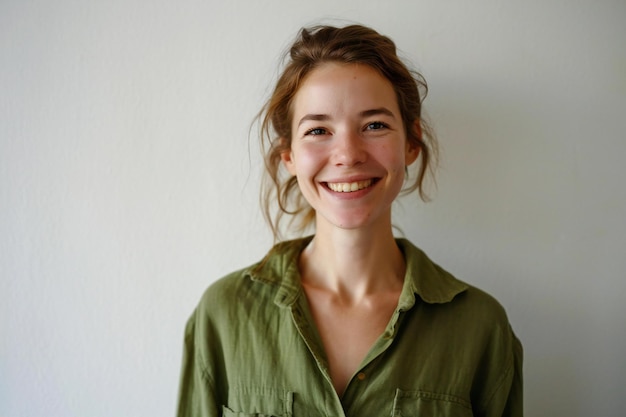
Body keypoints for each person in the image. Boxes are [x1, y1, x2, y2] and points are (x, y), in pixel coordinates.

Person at [177, 24, 523, 417]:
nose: (347, 155)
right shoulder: (223, 315)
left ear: (410, 143)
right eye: (318, 130)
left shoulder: (480, 327)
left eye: (374, 125)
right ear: (289, 155)